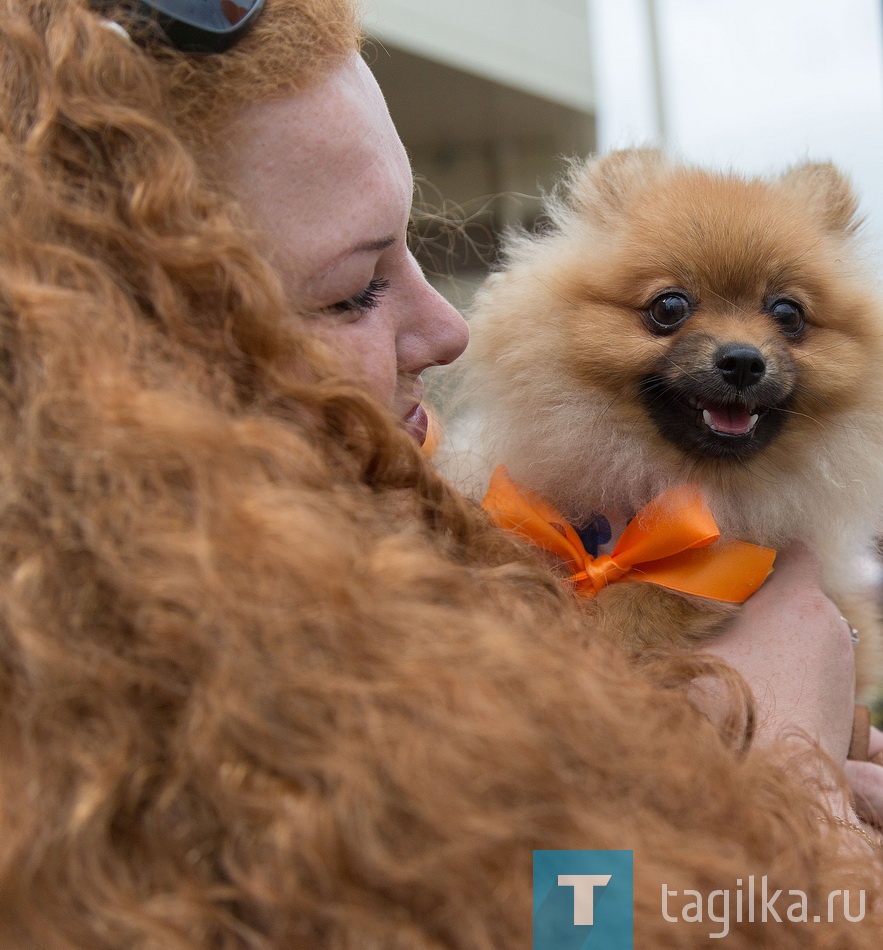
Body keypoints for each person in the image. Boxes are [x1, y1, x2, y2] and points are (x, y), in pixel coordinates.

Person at [0, 1, 880, 947]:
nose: (449, 328)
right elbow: (566, 928)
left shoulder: (396, 610)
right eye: (351, 291)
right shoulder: (191, 755)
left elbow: (563, 903)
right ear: (113, 373)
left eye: (411, 250)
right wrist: (788, 789)